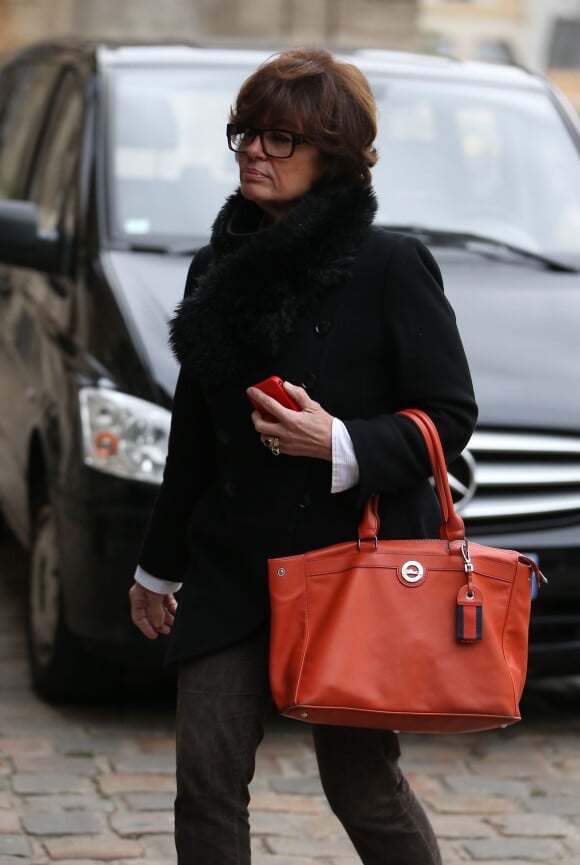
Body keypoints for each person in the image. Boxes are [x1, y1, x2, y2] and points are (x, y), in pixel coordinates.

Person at [129, 47, 477, 865]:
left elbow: (450, 415)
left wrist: (343, 442)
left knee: (362, 784)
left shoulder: (392, 266)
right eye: (246, 132)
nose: (254, 149)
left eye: (280, 138)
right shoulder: (215, 265)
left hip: (349, 566)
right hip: (233, 564)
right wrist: (157, 566)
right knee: (206, 781)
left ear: (334, 157)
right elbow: (194, 432)